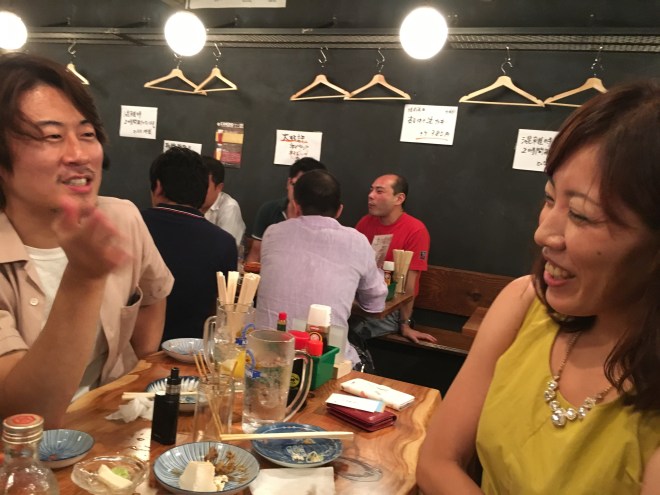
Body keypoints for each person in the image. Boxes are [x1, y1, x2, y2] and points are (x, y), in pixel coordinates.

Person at [417, 81, 660, 494]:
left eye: (581, 215)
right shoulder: (524, 302)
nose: (544, 233)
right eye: (550, 199)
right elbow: (436, 460)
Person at [0, 53, 174, 427]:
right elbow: (20, 414)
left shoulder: (122, 218)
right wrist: (84, 277)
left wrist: (140, 370)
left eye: (87, 134)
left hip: (112, 428)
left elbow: (153, 296)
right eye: (52, 136)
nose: (79, 154)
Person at [256, 170, 387, 366]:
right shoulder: (357, 241)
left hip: (265, 356)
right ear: (339, 210)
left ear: (296, 206)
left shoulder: (272, 233)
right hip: (325, 363)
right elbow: (375, 303)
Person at [142, 147, 237, 343]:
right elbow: (223, 312)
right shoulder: (225, 243)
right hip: (195, 354)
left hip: (130, 353)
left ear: (157, 186)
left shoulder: (131, 226)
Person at [350, 173, 437, 346]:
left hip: (391, 309)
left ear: (399, 198)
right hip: (359, 301)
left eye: (379, 191)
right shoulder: (365, 223)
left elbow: (410, 285)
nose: (371, 195)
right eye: (371, 190)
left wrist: (405, 324)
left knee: (349, 332)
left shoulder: (416, 230)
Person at [245, 157, 326, 264]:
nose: (300, 193)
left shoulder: (323, 219)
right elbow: (255, 255)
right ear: (288, 183)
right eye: (297, 185)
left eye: (308, 189)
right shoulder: (269, 210)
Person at [201, 155, 246, 251]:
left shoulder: (230, 207)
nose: (197, 189)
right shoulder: (189, 202)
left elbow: (225, 249)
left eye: (203, 186)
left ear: (219, 188)